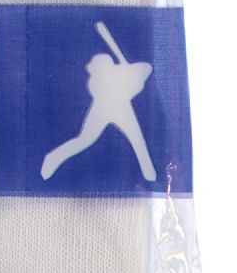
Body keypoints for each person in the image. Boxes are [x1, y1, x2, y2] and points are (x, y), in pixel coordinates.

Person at [40, 23, 157, 182]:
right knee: (84, 140)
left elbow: (147, 68)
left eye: (97, 66)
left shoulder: (120, 74)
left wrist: (129, 69)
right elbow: (133, 85)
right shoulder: (95, 82)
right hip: (101, 110)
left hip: (123, 110)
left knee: (138, 141)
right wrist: (131, 76)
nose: (91, 67)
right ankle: (52, 159)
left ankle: (150, 175)